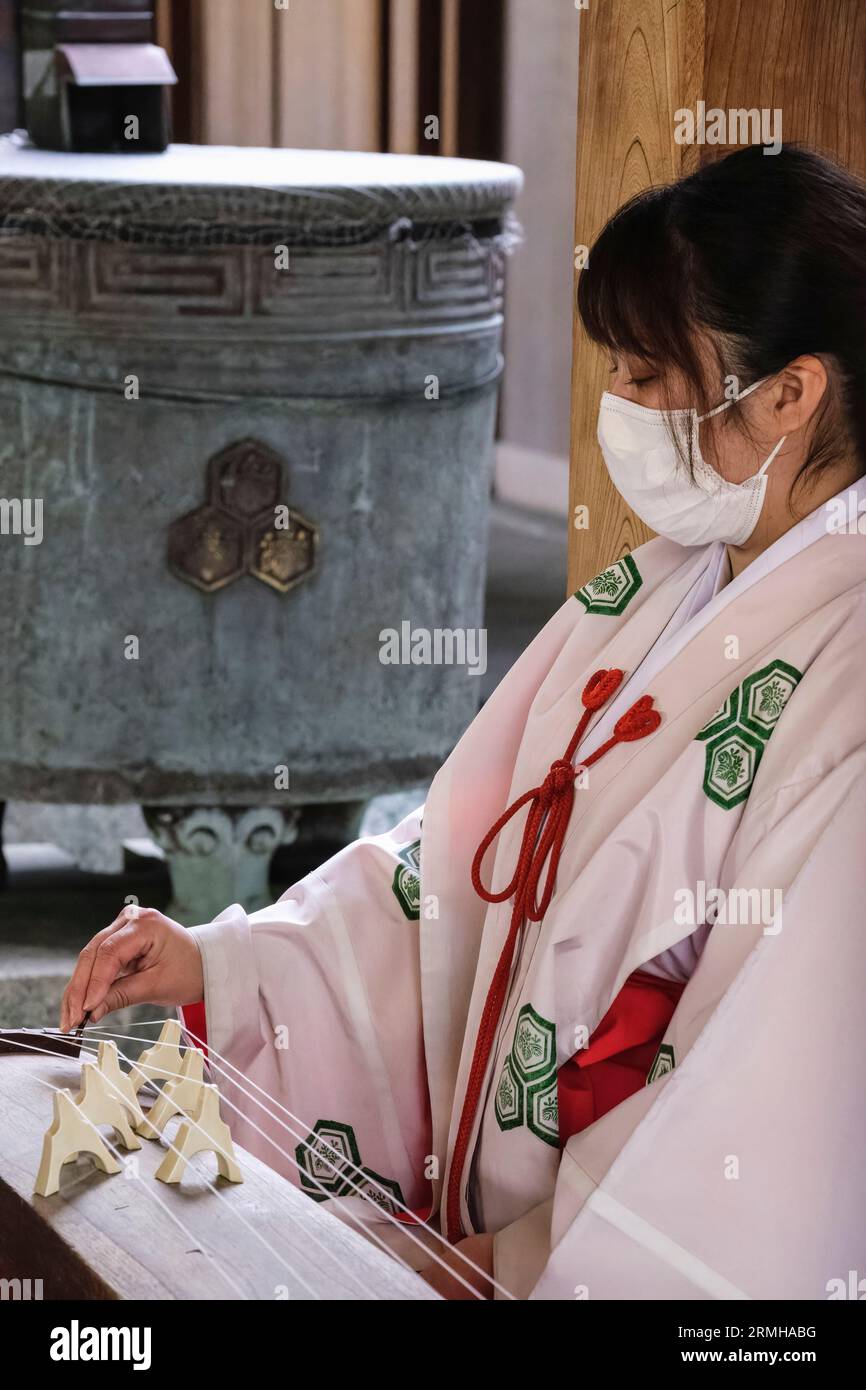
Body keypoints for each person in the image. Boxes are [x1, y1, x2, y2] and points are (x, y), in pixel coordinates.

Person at [61, 144, 866, 1300]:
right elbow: (456, 862)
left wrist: (520, 1266)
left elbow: (771, 1086)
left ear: (789, 392)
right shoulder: (659, 586)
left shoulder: (841, 684)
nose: (620, 410)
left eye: (649, 375)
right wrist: (230, 966)